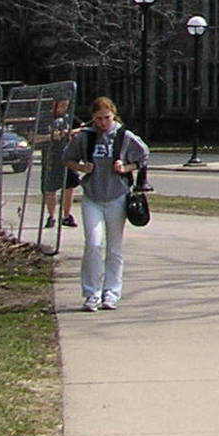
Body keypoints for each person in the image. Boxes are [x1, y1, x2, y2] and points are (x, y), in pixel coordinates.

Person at [64, 97, 149, 311]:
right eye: (98, 119)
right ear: (93, 118)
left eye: (107, 118)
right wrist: (82, 168)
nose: (103, 123)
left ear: (114, 115)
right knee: (93, 244)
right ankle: (91, 293)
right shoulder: (86, 137)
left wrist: (126, 167)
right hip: (92, 196)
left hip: (117, 197)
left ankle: (111, 293)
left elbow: (144, 155)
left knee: (114, 248)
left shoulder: (123, 136)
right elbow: (68, 158)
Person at [39, 96, 77, 227]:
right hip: (51, 156)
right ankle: (51, 216)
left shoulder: (69, 118)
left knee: (69, 185)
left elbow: (78, 130)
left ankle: (66, 215)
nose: (63, 109)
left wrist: (70, 133)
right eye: (61, 106)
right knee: (50, 188)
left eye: (66, 106)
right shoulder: (44, 119)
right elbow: (33, 138)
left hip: (67, 155)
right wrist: (51, 136)